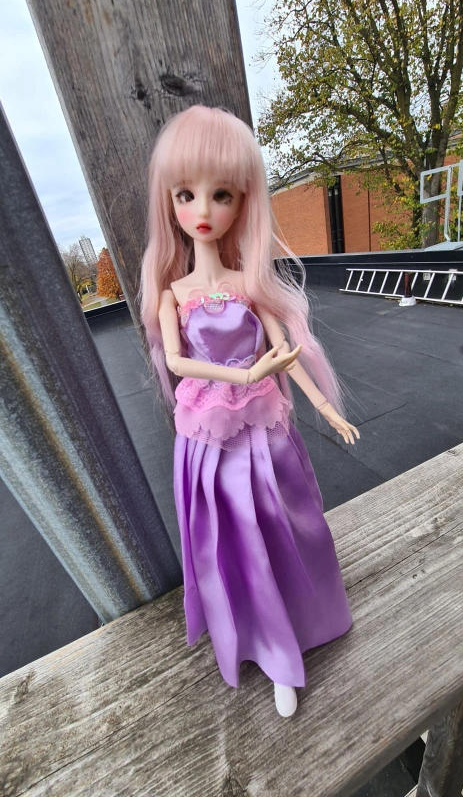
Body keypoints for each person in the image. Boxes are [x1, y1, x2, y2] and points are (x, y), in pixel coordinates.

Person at [138, 105, 359, 717]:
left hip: (265, 427)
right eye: (186, 195)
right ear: (170, 203)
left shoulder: (248, 284)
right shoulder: (173, 296)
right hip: (210, 436)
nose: (203, 211)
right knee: (230, 540)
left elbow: (285, 353)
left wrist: (324, 406)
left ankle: (302, 623)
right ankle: (270, 649)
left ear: (243, 202)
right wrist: (240, 374)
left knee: (288, 524)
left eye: (222, 194)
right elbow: (177, 363)